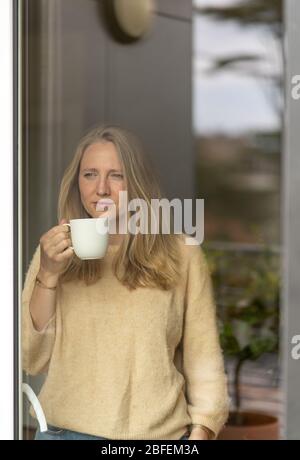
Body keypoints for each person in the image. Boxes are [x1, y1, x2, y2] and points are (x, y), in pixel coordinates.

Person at [22, 124, 230, 441]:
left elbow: (204, 358)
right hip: (64, 434)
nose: (101, 188)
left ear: (138, 183)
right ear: (77, 183)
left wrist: (202, 431)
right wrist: (48, 275)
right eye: (90, 174)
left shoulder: (182, 254)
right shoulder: (55, 253)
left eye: (116, 175)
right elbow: (32, 358)